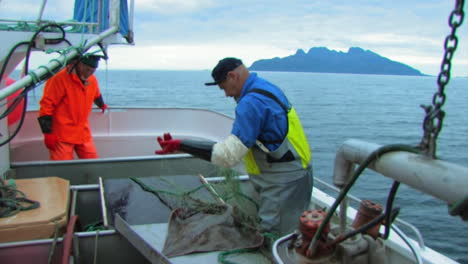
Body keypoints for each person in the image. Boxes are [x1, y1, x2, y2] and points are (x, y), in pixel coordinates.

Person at [155, 57, 313, 237]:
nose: (226, 95)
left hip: (283, 181)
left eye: (223, 88)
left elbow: (228, 156)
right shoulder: (265, 88)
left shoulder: (251, 103)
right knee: (290, 229)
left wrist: (182, 144)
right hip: (295, 173)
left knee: (276, 235)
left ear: (232, 76)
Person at [37, 54, 108, 160]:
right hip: (62, 134)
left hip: (82, 132)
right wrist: (48, 133)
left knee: (93, 164)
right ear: (78, 64)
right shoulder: (59, 78)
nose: (88, 73)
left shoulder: (92, 79)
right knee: (62, 169)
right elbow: (47, 104)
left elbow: (96, 94)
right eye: (87, 69)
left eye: (92, 71)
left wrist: (102, 105)